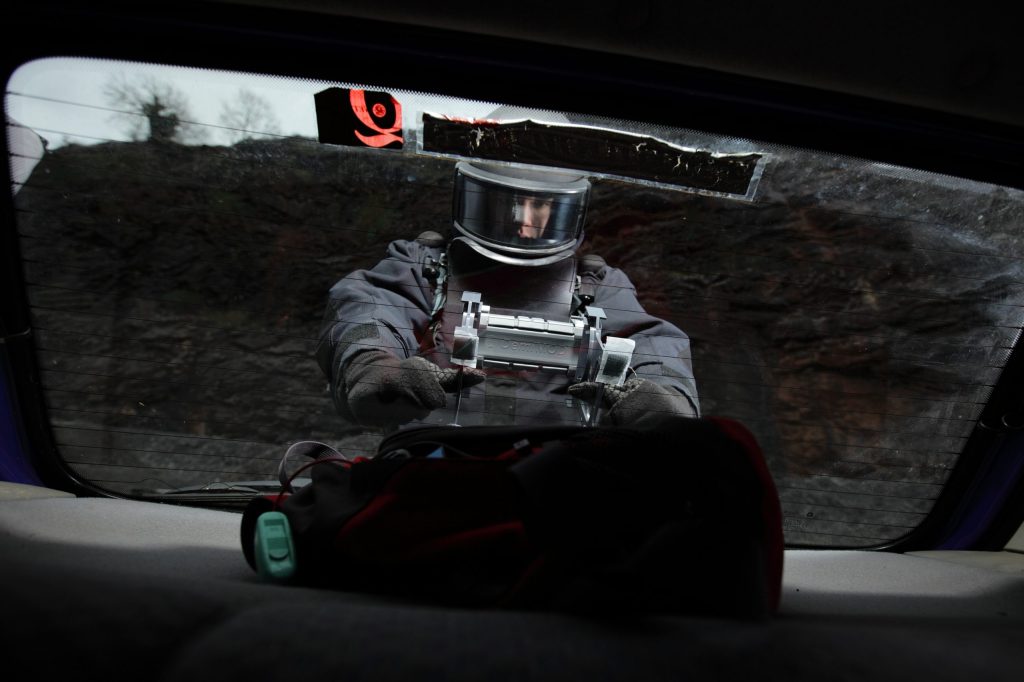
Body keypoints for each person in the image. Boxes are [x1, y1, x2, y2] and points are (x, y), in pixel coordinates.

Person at [316, 143, 699, 431]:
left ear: (568, 209)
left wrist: (665, 397)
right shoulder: (426, 267)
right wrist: (372, 365)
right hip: (435, 463)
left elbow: (652, 342)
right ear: (475, 199)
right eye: (509, 203)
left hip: (556, 471)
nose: (523, 221)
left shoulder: (596, 285)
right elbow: (368, 311)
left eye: (540, 205)